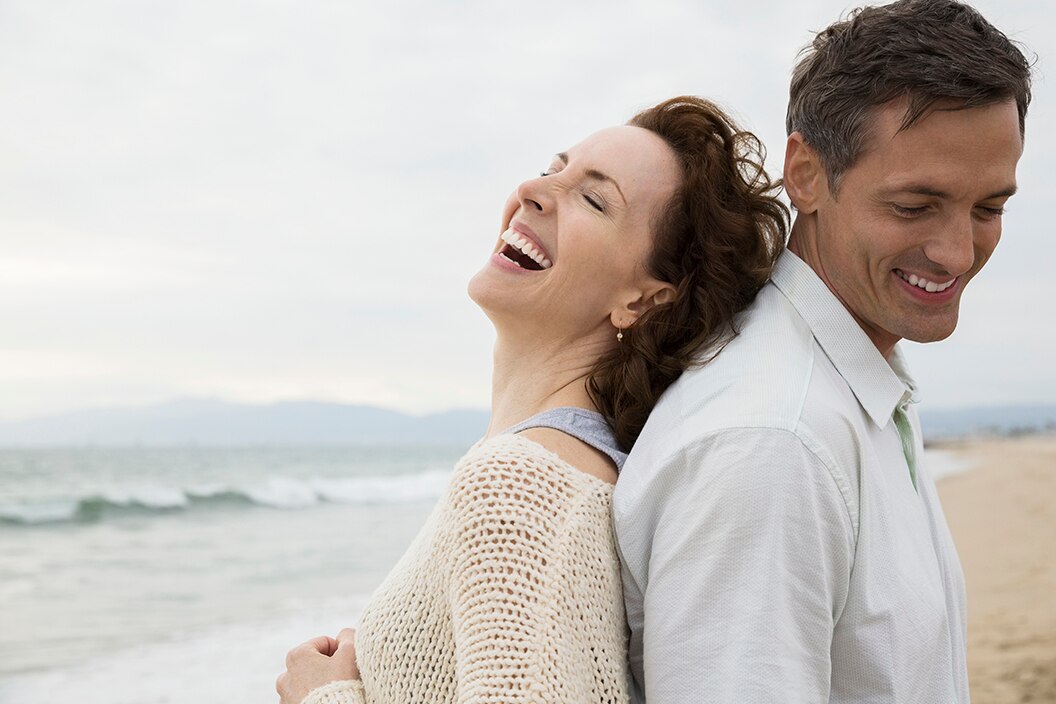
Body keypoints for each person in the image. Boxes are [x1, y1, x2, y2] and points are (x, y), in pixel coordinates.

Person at [275, 96, 788, 704]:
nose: (532, 190)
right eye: (553, 169)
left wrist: (323, 699)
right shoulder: (556, 470)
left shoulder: (518, 484)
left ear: (643, 300)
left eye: (595, 199)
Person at [613, 1, 1032, 702]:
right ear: (805, 174)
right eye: (914, 205)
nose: (960, 251)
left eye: (989, 208)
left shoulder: (853, 384)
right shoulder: (773, 442)